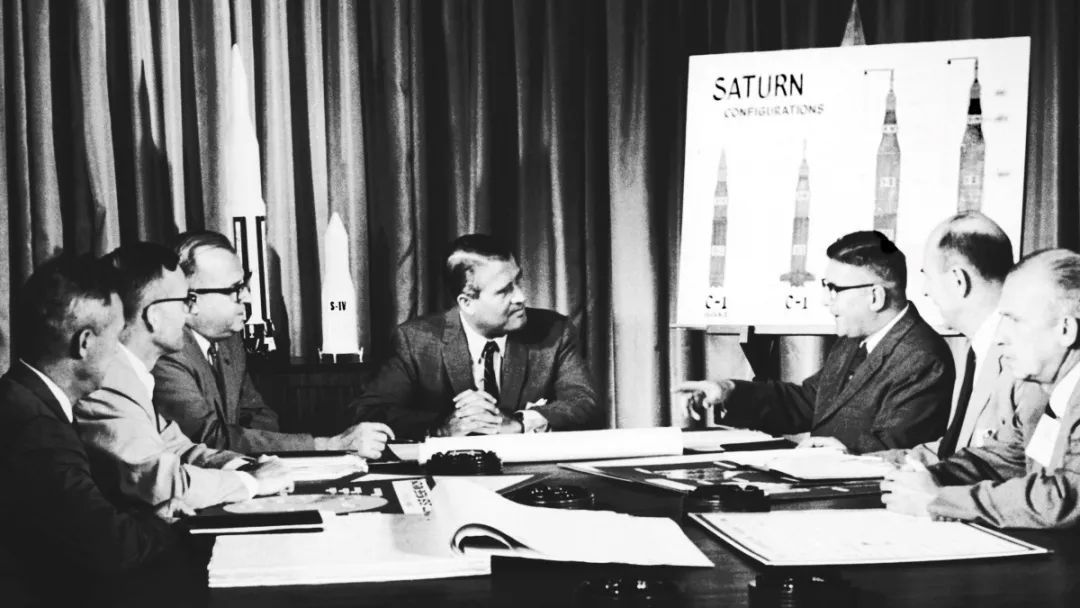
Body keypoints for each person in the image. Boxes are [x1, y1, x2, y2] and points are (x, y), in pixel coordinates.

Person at [0, 255, 190, 606]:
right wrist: (165, 524)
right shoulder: (37, 431)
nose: (119, 351)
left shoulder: (21, 398)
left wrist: (149, 518)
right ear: (84, 343)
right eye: (116, 338)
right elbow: (112, 548)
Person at [677, 230, 954, 454]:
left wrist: (845, 453)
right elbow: (808, 402)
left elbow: (898, 451)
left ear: (876, 297)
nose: (825, 300)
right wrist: (728, 391)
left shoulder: (923, 357)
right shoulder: (854, 341)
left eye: (834, 290)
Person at [75, 243, 292, 516]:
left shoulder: (129, 373)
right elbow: (158, 483)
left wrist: (243, 465)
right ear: (153, 317)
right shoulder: (109, 382)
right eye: (185, 302)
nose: (190, 313)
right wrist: (252, 482)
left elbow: (178, 448)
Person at [883, 249, 1080, 528]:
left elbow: (1064, 498)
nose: (1000, 337)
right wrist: (929, 477)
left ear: (1066, 330)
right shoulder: (1055, 392)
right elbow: (1001, 460)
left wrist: (940, 499)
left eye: (1015, 320)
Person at [152, 231, 393, 458]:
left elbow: (259, 415)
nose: (247, 297)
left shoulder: (229, 342)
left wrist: (266, 457)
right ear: (189, 299)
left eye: (245, 285)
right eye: (234, 290)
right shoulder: (166, 353)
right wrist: (326, 445)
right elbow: (207, 437)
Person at [350, 234, 600, 440]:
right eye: (504, 291)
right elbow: (369, 411)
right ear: (467, 302)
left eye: (517, 282)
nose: (521, 297)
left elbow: (584, 402)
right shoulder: (414, 340)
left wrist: (520, 423)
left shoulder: (554, 330)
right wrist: (442, 426)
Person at [875, 212, 1045, 465]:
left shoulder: (1030, 362)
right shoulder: (974, 349)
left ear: (958, 280)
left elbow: (1029, 474)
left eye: (928, 276)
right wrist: (858, 462)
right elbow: (954, 449)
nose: (925, 290)